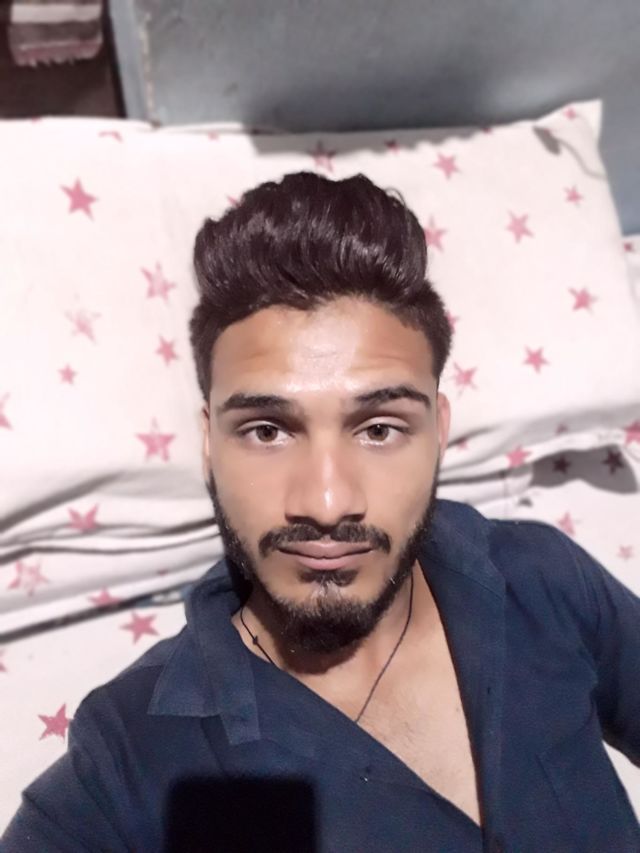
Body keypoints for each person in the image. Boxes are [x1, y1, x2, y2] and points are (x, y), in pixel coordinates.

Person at [3, 171, 640, 853]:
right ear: (209, 443)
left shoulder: (541, 577)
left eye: (379, 428)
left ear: (439, 430)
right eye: (267, 430)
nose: (328, 503)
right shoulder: (129, 758)